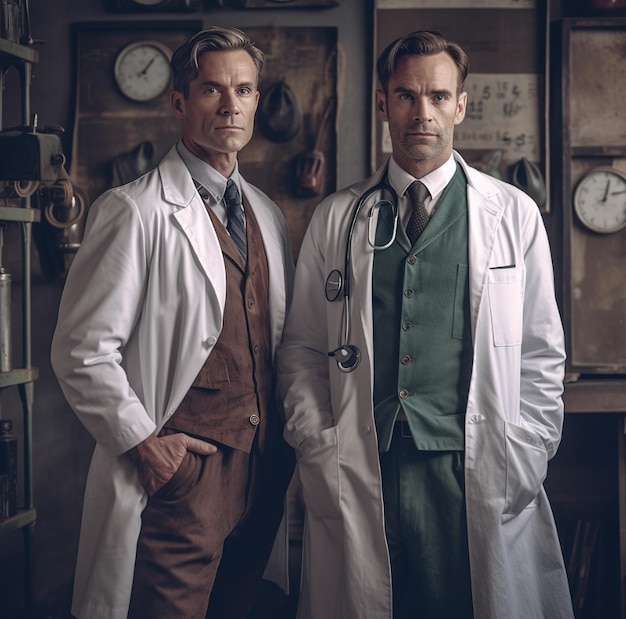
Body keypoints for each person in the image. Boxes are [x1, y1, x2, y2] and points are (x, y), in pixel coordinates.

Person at [277, 30, 573, 619]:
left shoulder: (512, 214)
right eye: (407, 96)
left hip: (474, 466)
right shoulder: (337, 216)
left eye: (439, 97)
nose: (423, 113)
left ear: (461, 105)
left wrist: (528, 451)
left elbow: (540, 353)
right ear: (384, 103)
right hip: (364, 461)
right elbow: (304, 349)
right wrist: (317, 441)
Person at [51, 26, 295, 619]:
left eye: (244, 90)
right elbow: (81, 351)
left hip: (264, 471)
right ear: (180, 102)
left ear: (258, 101)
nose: (231, 104)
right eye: (213, 89)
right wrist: (146, 446)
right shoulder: (133, 210)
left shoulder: (265, 213)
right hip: (184, 477)